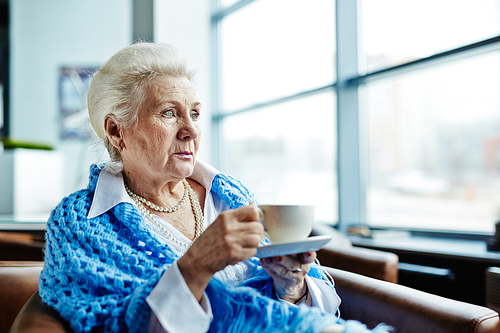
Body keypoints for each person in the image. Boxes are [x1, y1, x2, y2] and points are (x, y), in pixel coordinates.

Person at [39, 42, 389, 333]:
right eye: (168, 113)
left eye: (194, 113)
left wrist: (291, 286)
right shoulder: (80, 223)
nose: (190, 129)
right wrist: (194, 267)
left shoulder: (230, 194)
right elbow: (114, 325)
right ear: (116, 131)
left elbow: (310, 309)